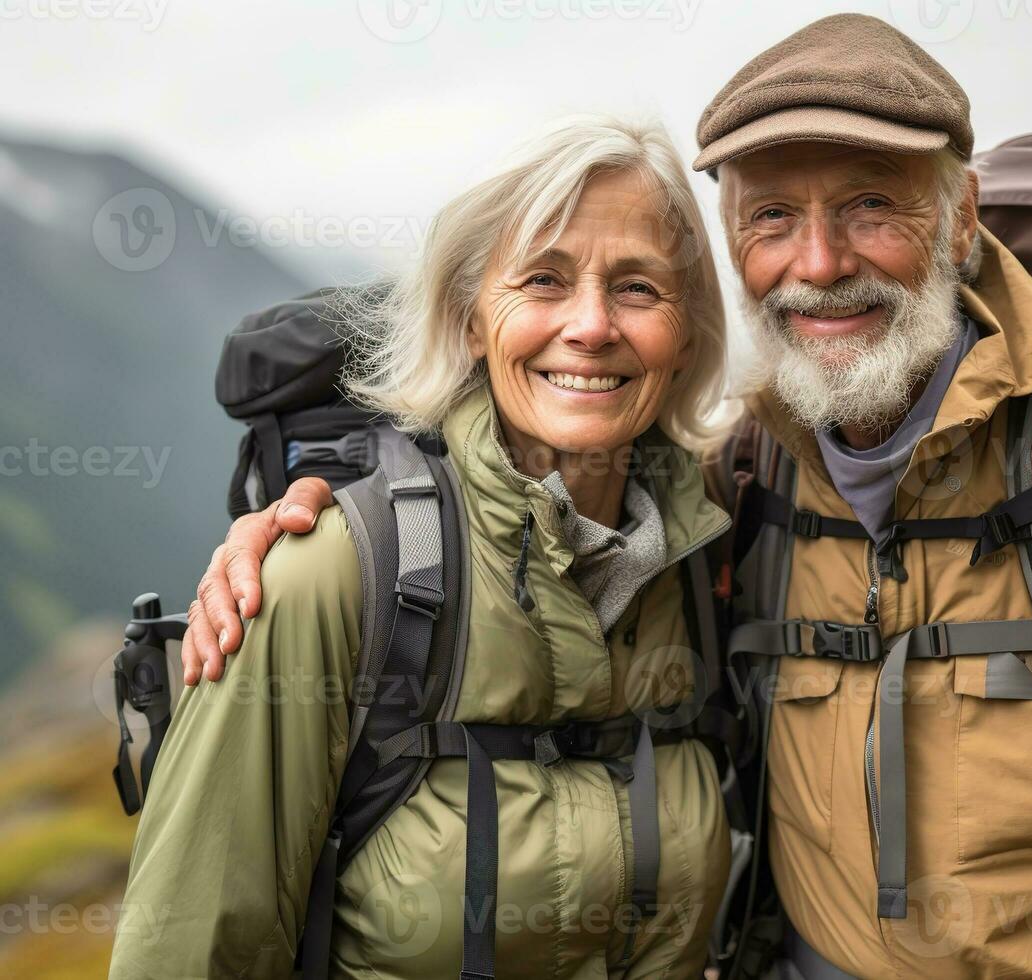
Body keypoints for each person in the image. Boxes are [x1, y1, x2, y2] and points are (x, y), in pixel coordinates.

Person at [180, 15, 1032, 979]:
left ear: (962, 221)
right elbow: (530, 515)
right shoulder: (744, 478)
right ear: (732, 250)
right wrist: (304, 525)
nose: (821, 261)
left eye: (871, 206)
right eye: (773, 216)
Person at [111, 115, 736, 979]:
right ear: (472, 318)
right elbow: (188, 949)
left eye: (638, 288)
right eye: (544, 281)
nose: (591, 325)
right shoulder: (336, 572)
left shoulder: (709, 556)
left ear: (690, 331)